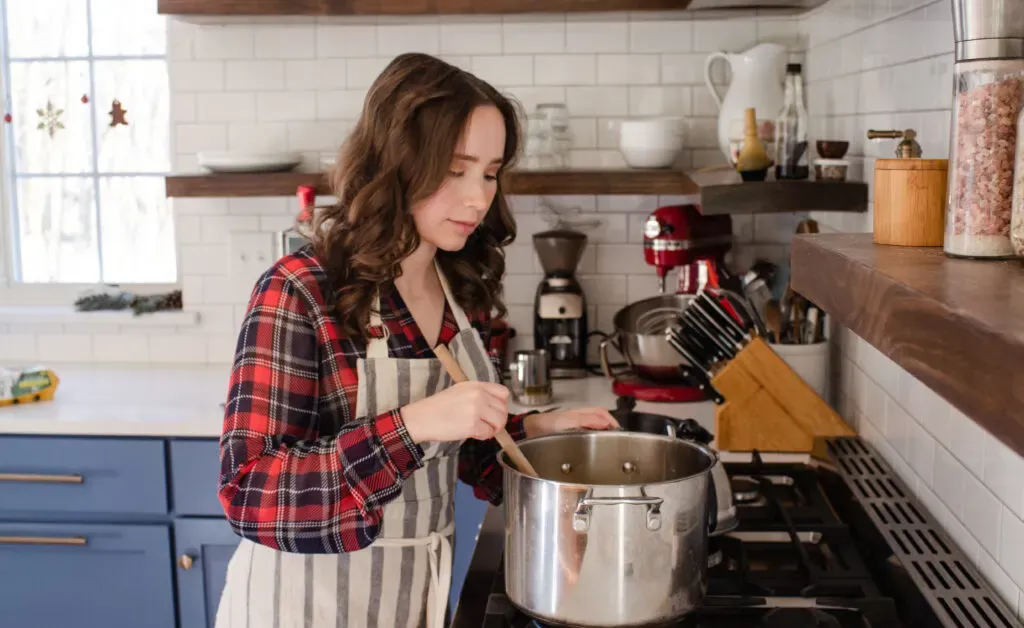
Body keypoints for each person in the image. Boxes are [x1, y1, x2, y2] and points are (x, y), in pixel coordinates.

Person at [214, 52, 618, 628]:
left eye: (490, 172)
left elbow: (450, 454)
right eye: (456, 170)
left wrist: (533, 430)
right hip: (301, 608)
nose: (478, 198)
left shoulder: (455, 283)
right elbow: (250, 493)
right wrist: (414, 423)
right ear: (398, 162)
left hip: (415, 600)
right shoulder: (302, 290)